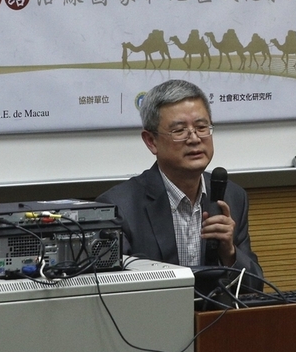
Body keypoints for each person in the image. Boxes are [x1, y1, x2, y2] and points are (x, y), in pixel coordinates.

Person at [97, 79, 263, 283]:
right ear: (151, 141)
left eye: (201, 127)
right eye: (179, 131)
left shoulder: (232, 197)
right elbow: (113, 290)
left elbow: (255, 285)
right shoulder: (119, 208)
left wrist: (229, 253)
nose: (194, 138)